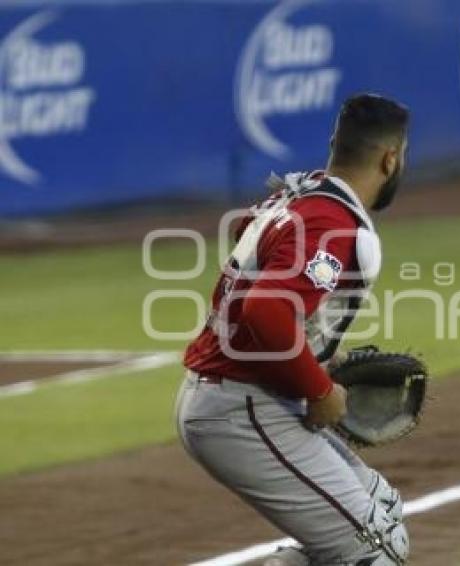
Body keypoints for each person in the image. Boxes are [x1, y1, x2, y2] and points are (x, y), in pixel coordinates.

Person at [176, 94, 410, 565]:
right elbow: (265, 311)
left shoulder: (302, 194)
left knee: (385, 511)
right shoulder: (330, 219)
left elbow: (247, 235)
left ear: (333, 144)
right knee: (376, 552)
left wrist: (313, 353)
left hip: (244, 397)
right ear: (390, 159)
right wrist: (319, 386)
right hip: (241, 405)